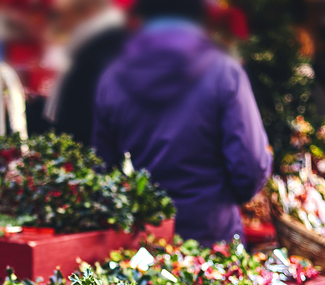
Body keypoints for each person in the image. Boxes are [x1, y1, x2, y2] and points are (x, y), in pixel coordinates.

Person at [93, 0, 271, 245]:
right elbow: (250, 167)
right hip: (212, 241)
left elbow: (102, 171)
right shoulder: (224, 72)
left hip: (145, 241)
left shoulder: (112, 77)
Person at [44, 0, 128, 147]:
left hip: (90, 156)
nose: (61, 24)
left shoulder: (102, 52)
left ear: (89, 11)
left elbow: (80, 115)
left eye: (63, 16)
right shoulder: (97, 45)